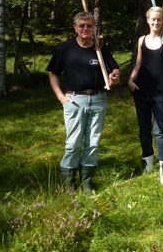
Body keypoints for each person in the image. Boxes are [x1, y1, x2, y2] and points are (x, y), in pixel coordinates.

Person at [47, 11, 120, 193]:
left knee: (93, 143)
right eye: (82, 26)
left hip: (98, 100)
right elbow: (53, 73)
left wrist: (114, 76)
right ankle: (68, 184)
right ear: (75, 28)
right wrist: (61, 97)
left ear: (93, 27)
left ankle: (86, 182)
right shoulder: (65, 49)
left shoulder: (100, 49)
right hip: (75, 100)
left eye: (89, 26)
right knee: (73, 143)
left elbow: (115, 69)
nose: (85, 29)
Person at [127, 7, 163, 184]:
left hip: (160, 91)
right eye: (153, 19)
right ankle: (147, 163)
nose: (156, 22)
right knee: (144, 129)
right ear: (147, 20)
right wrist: (130, 80)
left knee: (160, 130)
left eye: (159, 20)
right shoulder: (141, 40)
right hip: (141, 90)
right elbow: (138, 64)